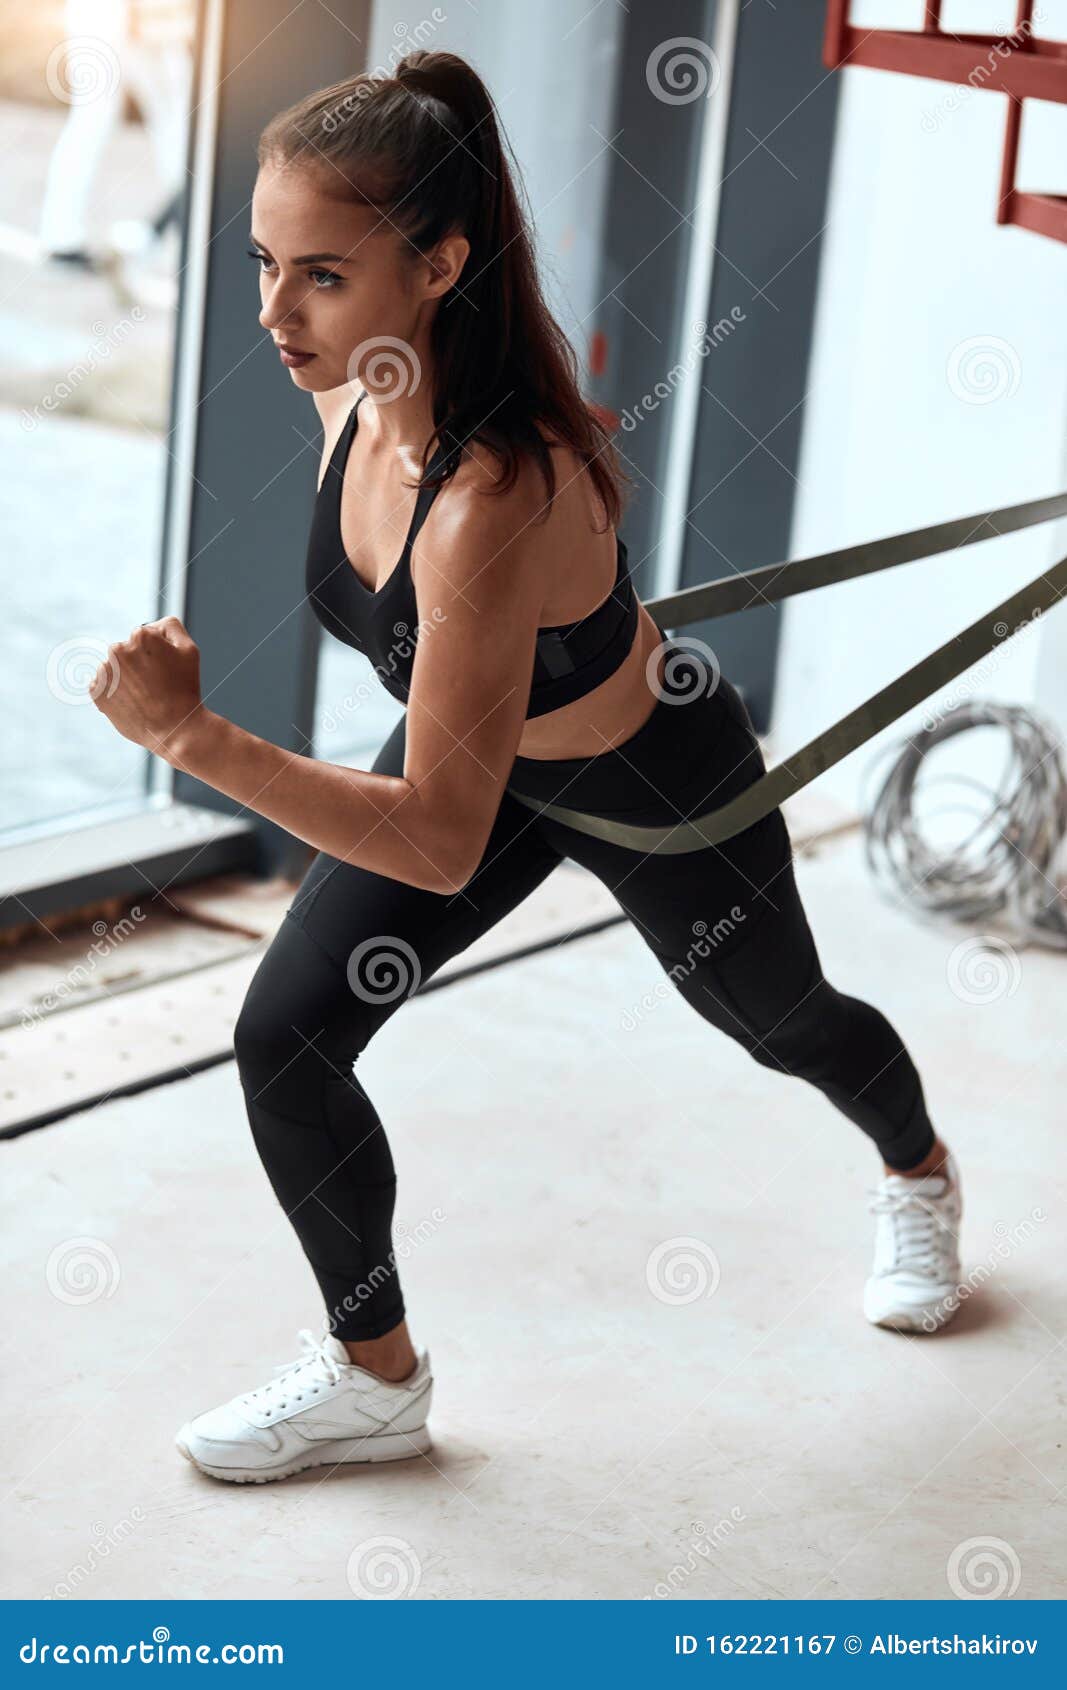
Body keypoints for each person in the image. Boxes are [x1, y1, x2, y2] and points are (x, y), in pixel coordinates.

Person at [92, 50, 963, 1484]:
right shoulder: (355, 397)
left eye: (320, 274)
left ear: (436, 264)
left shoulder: (494, 494)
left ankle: (919, 1171)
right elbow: (447, 789)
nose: (270, 311)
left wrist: (193, 741)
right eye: (263, 261)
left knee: (780, 1015)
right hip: (471, 755)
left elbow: (435, 840)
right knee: (286, 1037)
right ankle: (377, 1381)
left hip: (645, 777)